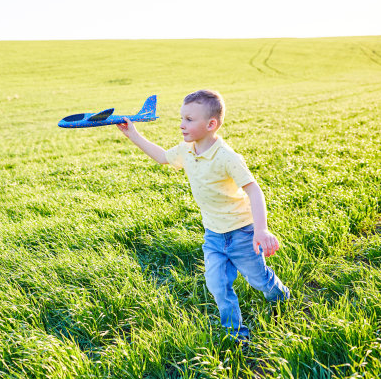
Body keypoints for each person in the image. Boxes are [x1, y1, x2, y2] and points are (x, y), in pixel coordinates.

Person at [116, 89, 290, 341]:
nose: (181, 125)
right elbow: (162, 157)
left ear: (211, 124)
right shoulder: (186, 150)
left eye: (188, 119)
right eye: (181, 118)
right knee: (218, 286)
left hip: (242, 232)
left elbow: (254, 191)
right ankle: (236, 335)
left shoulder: (227, 157)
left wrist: (261, 230)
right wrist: (133, 134)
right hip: (213, 235)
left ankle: (281, 297)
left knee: (259, 280)